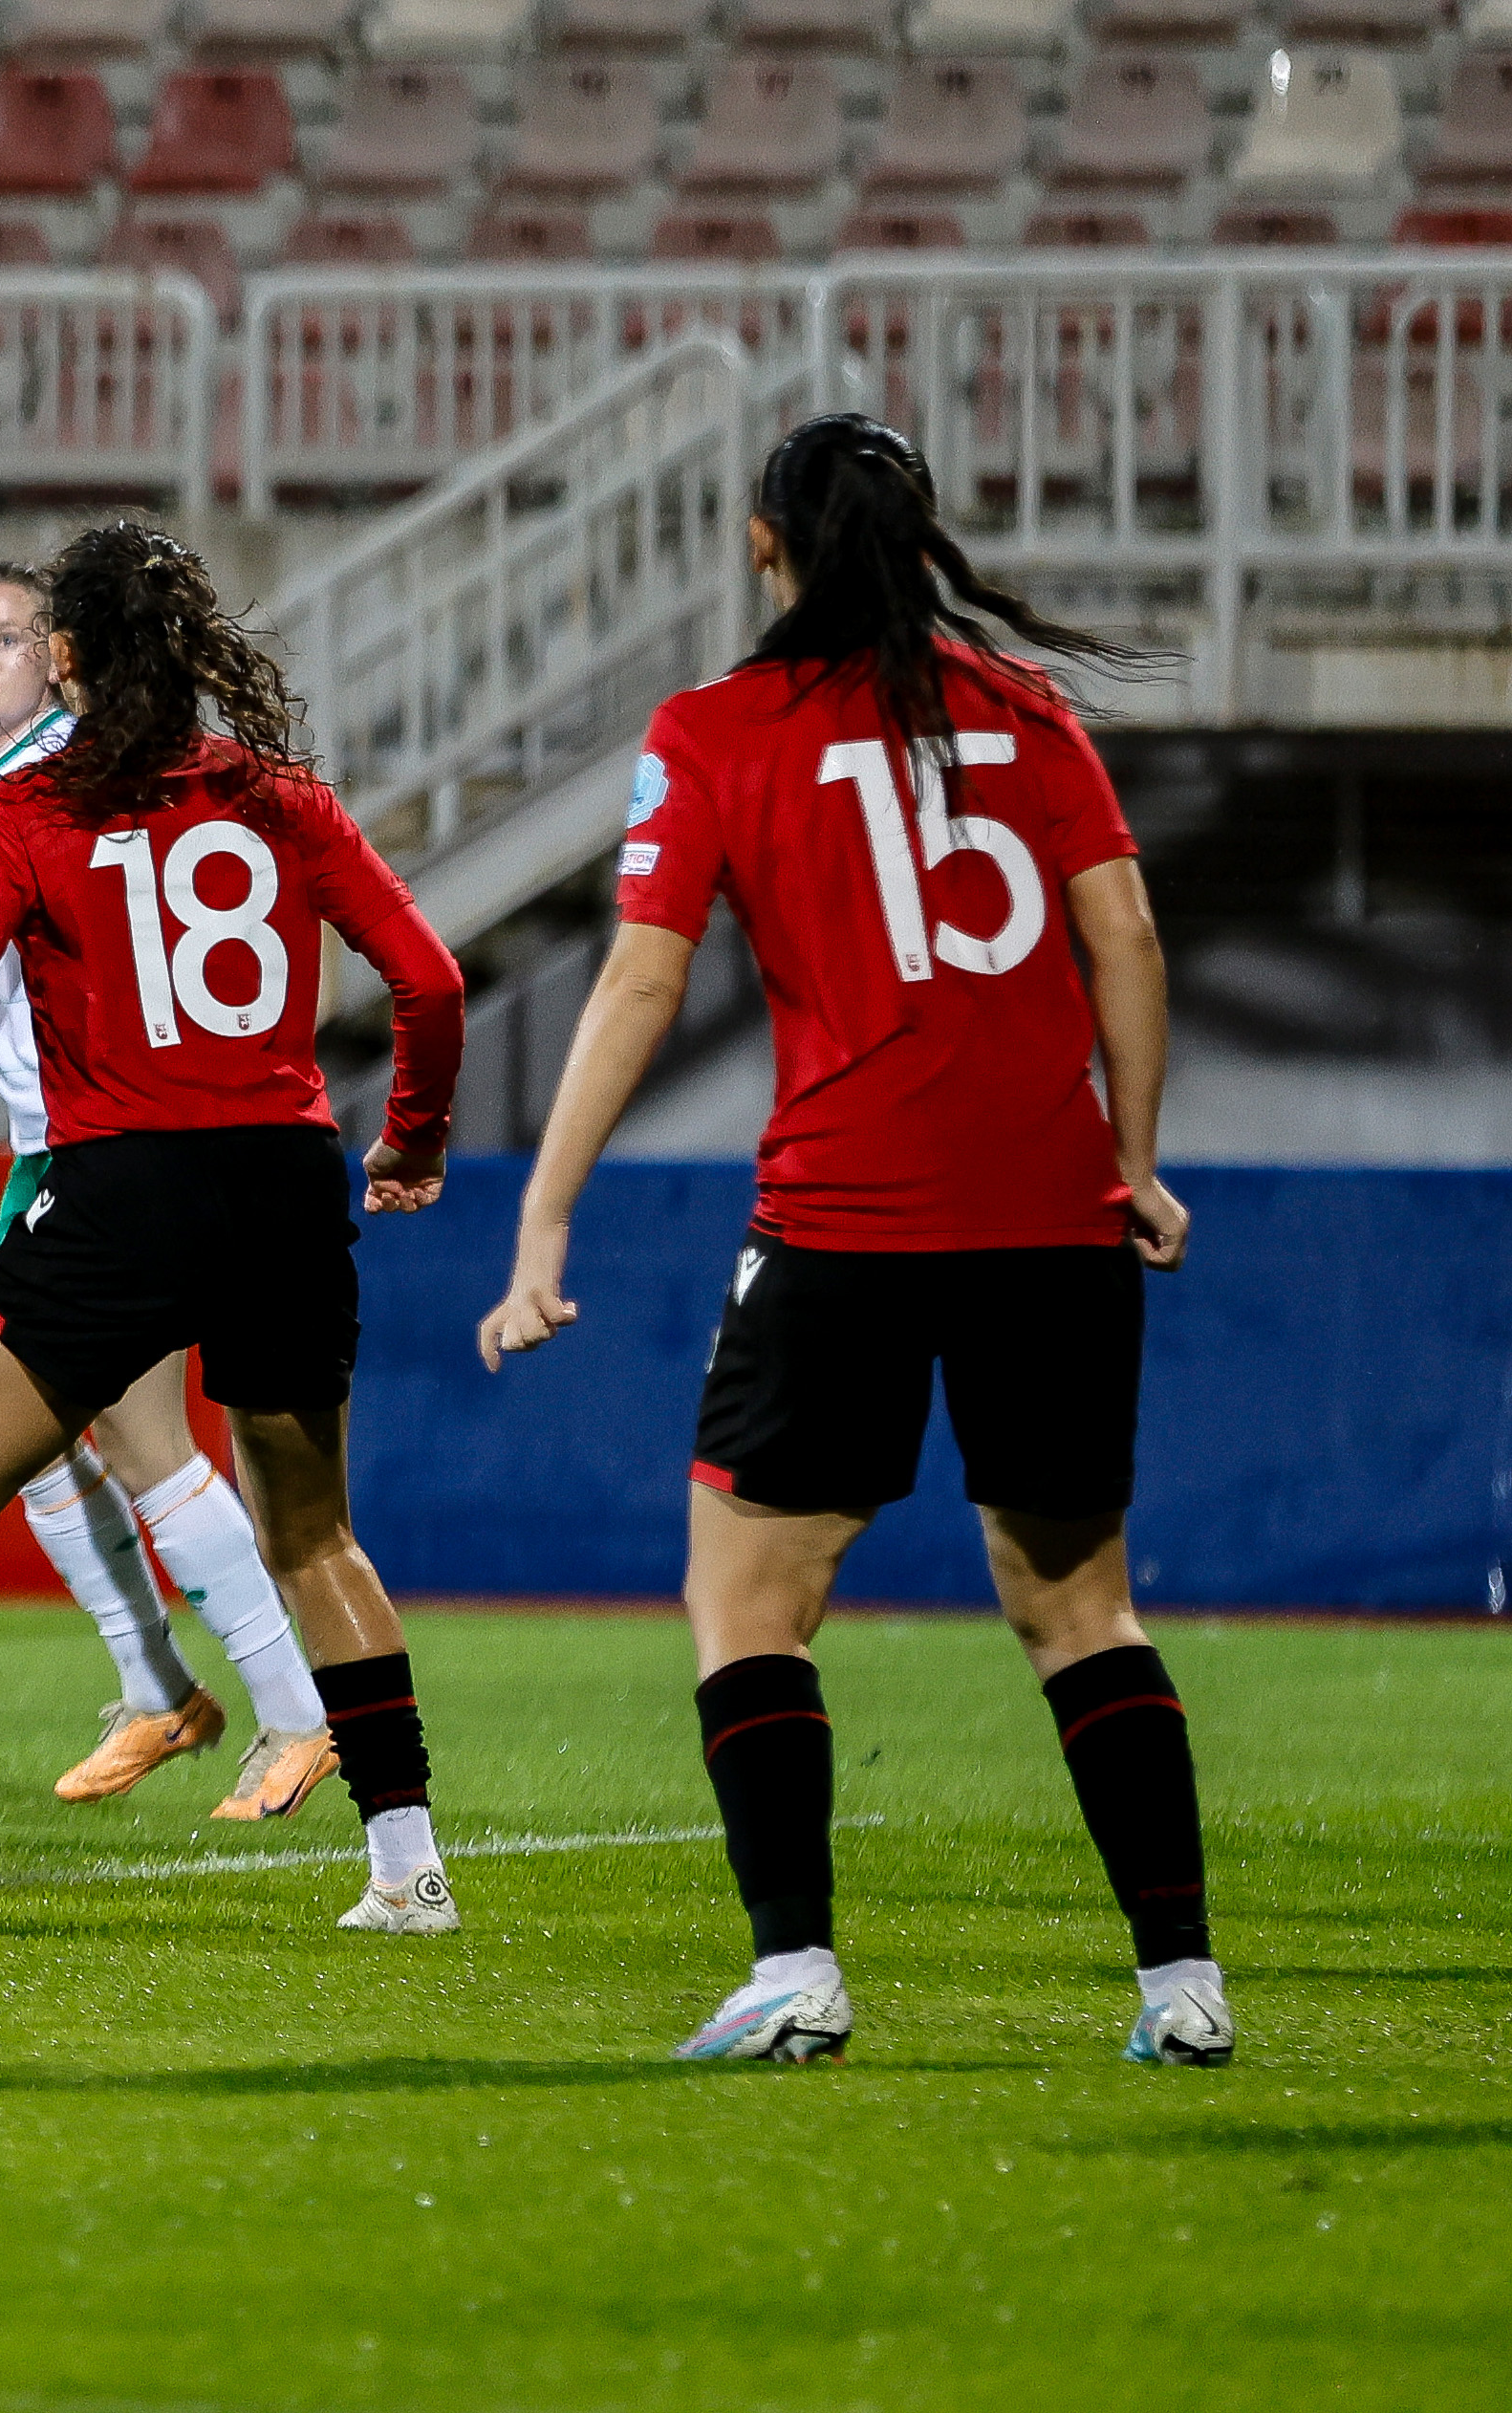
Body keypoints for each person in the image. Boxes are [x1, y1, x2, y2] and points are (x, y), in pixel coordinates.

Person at [479, 413, 1221, 2069]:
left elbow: (643, 979)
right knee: (1082, 1609)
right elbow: (1128, 938)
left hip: (844, 1222)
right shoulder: (1032, 715)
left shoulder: (717, 728)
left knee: (744, 1600)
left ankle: (795, 1969)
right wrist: (1135, 1159)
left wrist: (542, 1209)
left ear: (765, 544)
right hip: (1052, 1221)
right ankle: (1180, 1985)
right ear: (920, 536)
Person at [0, 524, 466, 1935]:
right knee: (316, 1540)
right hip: (285, 1180)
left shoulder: (24, 812)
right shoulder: (281, 796)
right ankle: (407, 1868)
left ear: (62, 658)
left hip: (123, 1191)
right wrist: (412, 1137)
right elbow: (426, 983)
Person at [0, 560, 337, 1818]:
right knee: (49, 1455)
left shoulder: (60, 778)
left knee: (137, 1448)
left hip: (114, 1155)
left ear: (61, 656)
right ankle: (162, 1682)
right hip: (71, 1149)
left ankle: (288, 1709)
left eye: (5, 636)